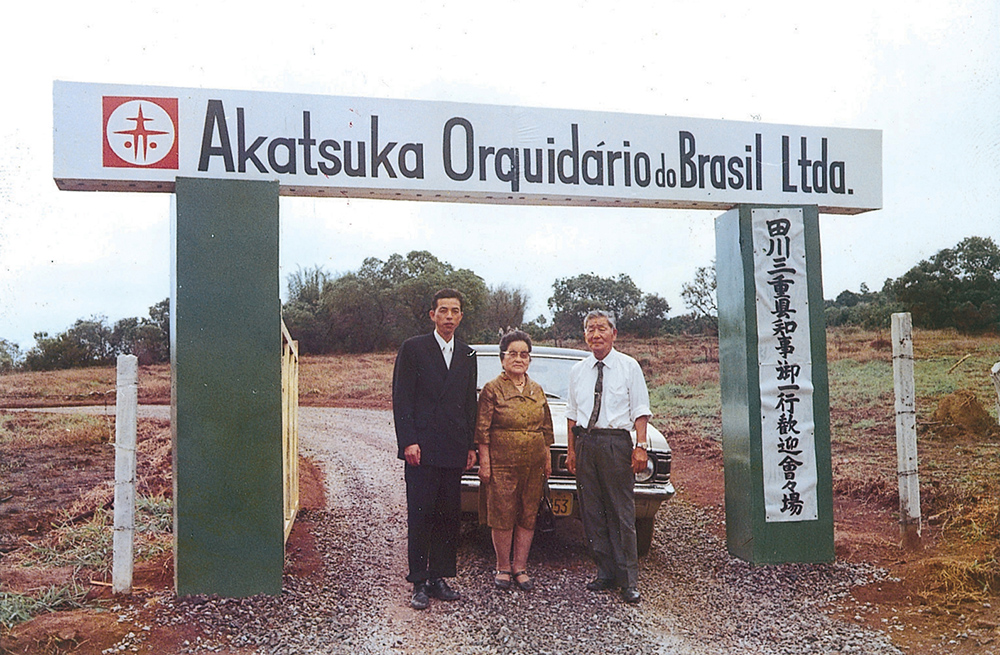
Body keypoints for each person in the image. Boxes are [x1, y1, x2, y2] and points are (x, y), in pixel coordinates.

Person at [392, 288, 478, 610]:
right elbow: (402, 399)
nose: (449, 317)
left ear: (461, 316)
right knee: (421, 514)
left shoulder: (468, 355)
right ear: (432, 315)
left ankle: (439, 577)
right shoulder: (413, 349)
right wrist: (408, 441)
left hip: (453, 449)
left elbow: (470, 403)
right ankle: (418, 581)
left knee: (447, 516)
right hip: (422, 449)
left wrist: (469, 446)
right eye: (443, 311)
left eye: (455, 311)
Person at [565, 310, 651, 604]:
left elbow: (640, 410)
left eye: (602, 328)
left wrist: (641, 446)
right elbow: (572, 415)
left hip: (616, 444)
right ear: (585, 335)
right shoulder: (578, 370)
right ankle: (605, 572)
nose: (596, 334)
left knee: (621, 513)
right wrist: (572, 451)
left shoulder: (629, 367)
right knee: (592, 511)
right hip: (586, 443)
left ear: (614, 333)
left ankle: (628, 580)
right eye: (591, 329)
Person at [474, 330, 553, 592]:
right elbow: (482, 430)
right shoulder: (492, 389)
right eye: (513, 354)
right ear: (502, 358)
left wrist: (547, 460)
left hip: (533, 463)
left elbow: (546, 429)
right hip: (502, 463)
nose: (519, 359)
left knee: (528, 513)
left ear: (529, 359)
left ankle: (520, 566)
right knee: (503, 513)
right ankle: (502, 567)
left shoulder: (537, 389)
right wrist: (485, 463)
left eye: (524, 354)